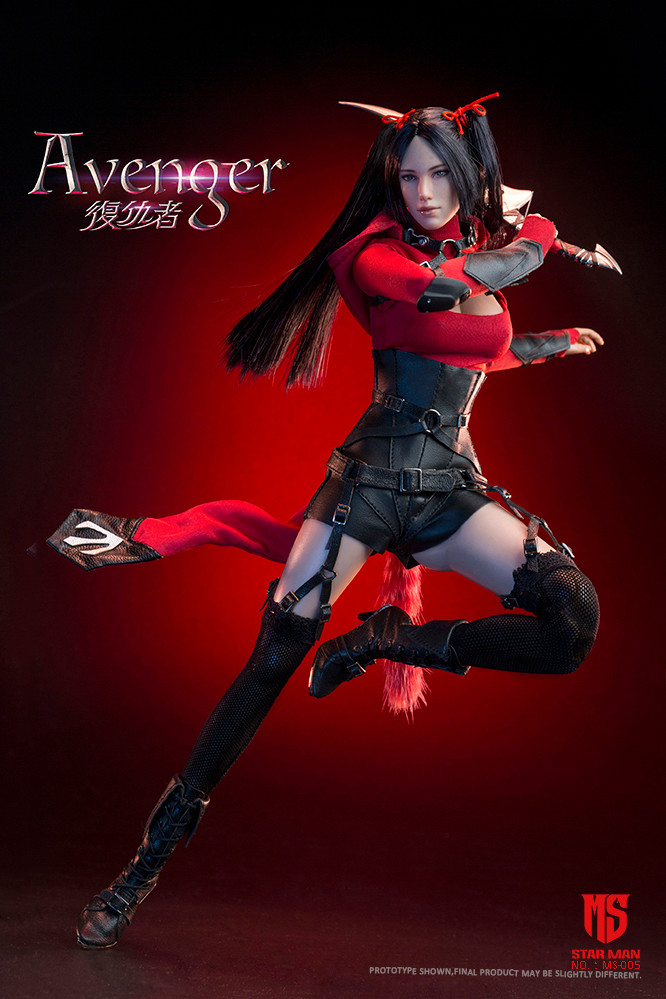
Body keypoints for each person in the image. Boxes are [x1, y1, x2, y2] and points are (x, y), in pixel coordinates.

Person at [59, 96, 605, 949]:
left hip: (447, 494)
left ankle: (391, 638)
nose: (424, 193)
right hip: (368, 488)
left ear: (466, 177)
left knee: (573, 619)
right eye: (409, 177)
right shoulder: (374, 256)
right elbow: (458, 291)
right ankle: (138, 873)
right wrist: (538, 235)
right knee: (275, 654)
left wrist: (550, 343)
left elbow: (479, 347)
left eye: (441, 175)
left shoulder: (465, 244)